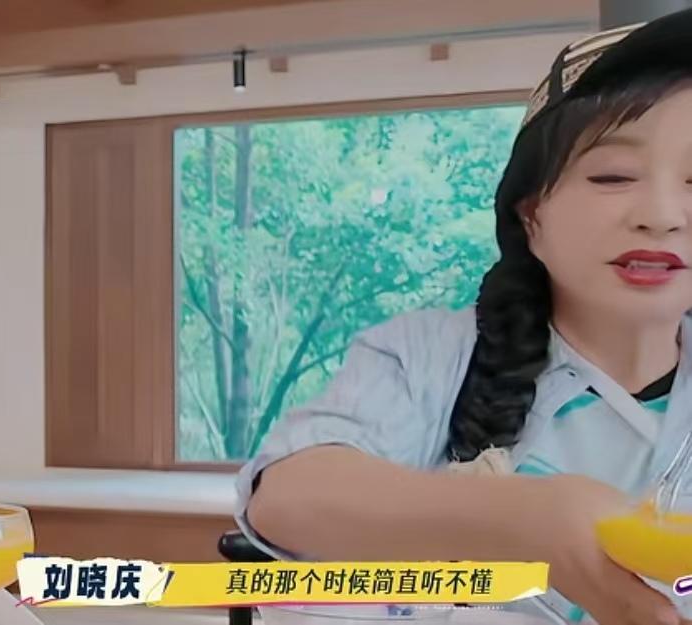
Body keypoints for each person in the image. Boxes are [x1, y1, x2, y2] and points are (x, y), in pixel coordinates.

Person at [235, 8, 692, 625]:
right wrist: (524, 517)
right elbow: (286, 498)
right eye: (613, 175)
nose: (661, 215)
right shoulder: (430, 356)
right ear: (531, 217)